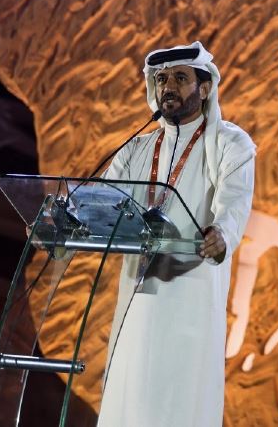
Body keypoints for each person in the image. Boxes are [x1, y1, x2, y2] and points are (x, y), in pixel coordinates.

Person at [97, 41, 255, 426]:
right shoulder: (136, 148)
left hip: (190, 299)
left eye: (180, 79)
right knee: (131, 397)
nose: (168, 87)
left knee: (179, 401)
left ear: (205, 88)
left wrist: (222, 233)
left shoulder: (229, 143)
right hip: (137, 299)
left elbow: (234, 203)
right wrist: (61, 225)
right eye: (161, 79)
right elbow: (101, 203)